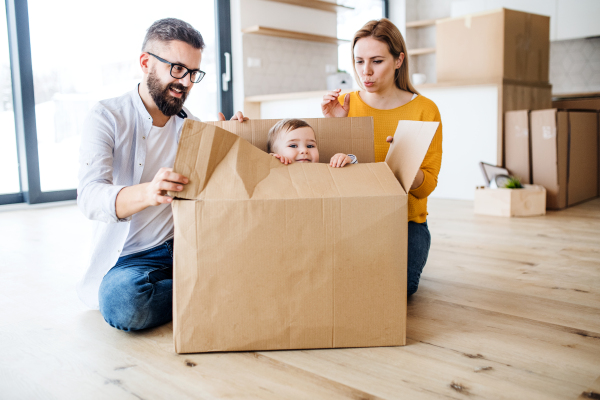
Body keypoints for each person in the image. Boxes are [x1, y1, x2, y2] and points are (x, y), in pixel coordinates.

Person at [77, 18, 248, 331]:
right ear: (146, 63)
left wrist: (237, 137)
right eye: (177, 68)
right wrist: (147, 192)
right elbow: (89, 197)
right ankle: (213, 288)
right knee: (123, 302)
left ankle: (204, 284)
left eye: (194, 73)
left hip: (186, 244)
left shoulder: (192, 126)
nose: (186, 82)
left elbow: (222, 185)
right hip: (134, 260)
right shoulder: (106, 116)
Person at [321, 18, 442, 296]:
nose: (366, 72)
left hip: (406, 221)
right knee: (339, 286)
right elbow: (326, 178)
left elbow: (427, 186)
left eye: (377, 61)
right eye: (359, 61)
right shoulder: (344, 104)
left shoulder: (424, 110)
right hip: (354, 217)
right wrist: (335, 125)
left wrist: (404, 159)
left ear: (399, 60)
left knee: (398, 291)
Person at [267, 118, 357, 167]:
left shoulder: (324, 169)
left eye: (310, 146)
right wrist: (271, 162)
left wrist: (344, 160)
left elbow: (354, 175)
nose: (304, 150)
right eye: (293, 145)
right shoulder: (275, 171)